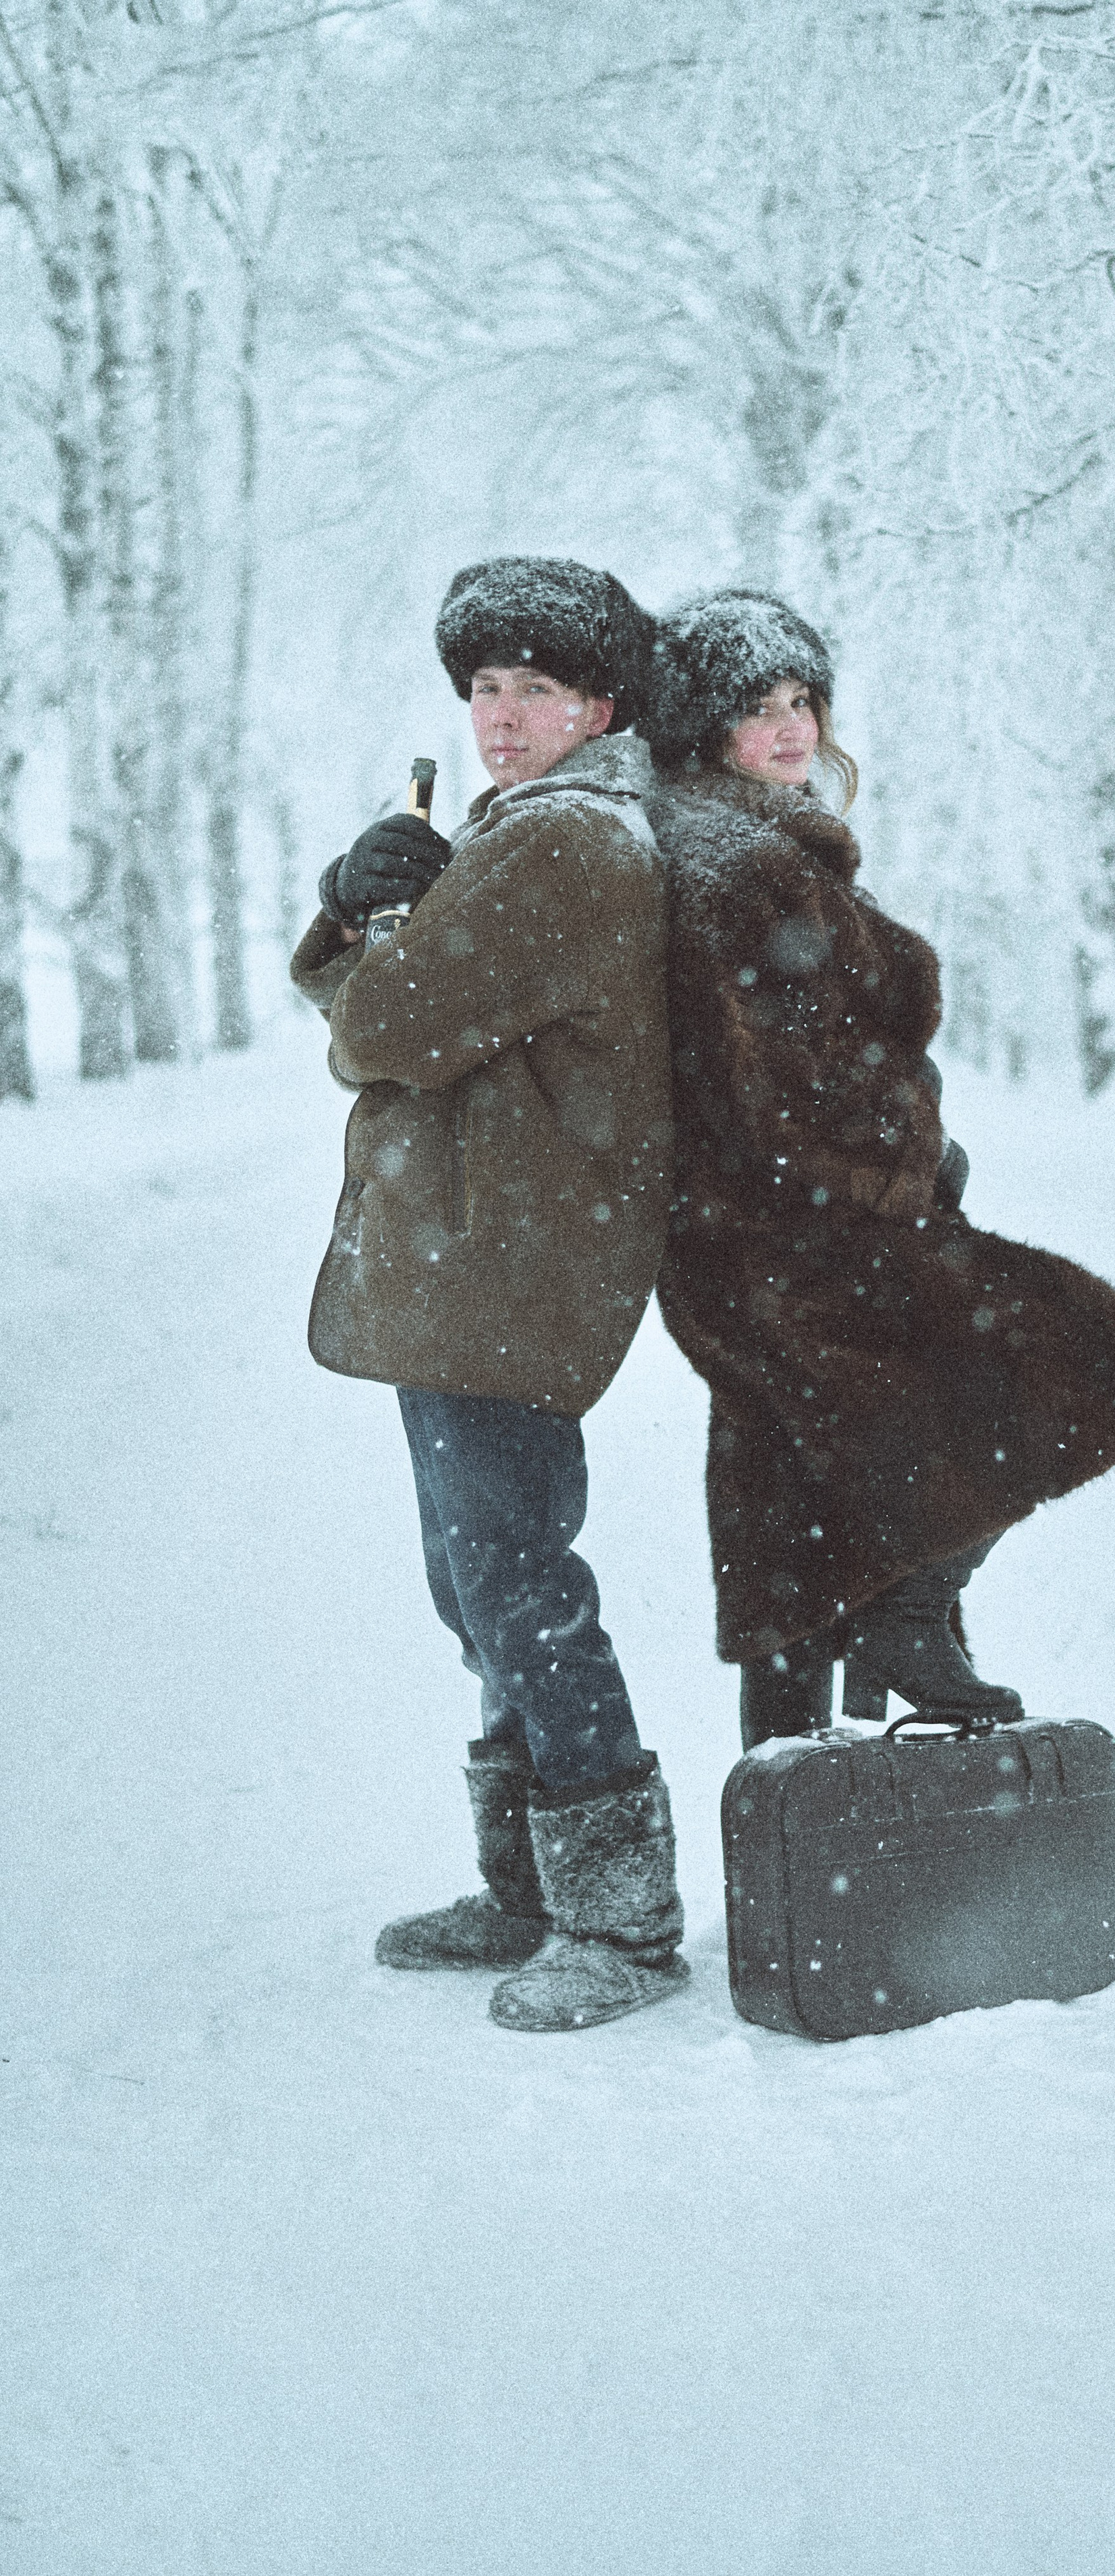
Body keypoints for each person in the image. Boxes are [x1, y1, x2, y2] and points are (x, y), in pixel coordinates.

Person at [641, 589, 1115, 1745]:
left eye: (804, 700)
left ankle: (795, 1807)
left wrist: (906, 1150)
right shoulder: (734, 862)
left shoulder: (746, 841)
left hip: (754, 1238)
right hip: (798, 1238)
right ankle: (910, 1615)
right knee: (1095, 1362)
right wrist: (899, 1169)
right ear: (708, 726)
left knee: (793, 1530)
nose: (792, 727)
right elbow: (767, 1083)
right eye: (758, 708)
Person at [290, 556, 686, 2034]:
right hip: (478, 1259)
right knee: (481, 1583)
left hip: (506, 1265)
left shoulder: (567, 843)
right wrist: (376, 902)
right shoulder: (522, 830)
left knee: (516, 1580)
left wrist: (368, 915)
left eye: (533, 688)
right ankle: (530, 1884)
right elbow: (404, 1011)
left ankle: (619, 1920)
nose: (499, 716)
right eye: (482, 688)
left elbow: (385, 1028)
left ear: (597, 705)